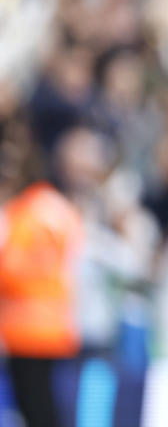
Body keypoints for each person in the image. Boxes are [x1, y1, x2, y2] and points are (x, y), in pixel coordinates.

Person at [0, 182, 84, 427]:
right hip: (57, 324)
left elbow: (9, 269)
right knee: (46, 402)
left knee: (33, 405)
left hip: (24, 328)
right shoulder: (64, 211)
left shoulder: (20, 214)